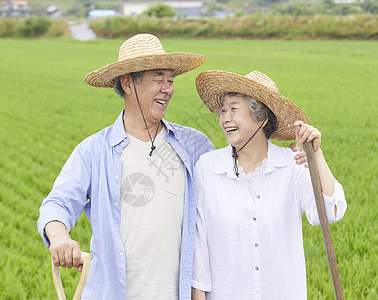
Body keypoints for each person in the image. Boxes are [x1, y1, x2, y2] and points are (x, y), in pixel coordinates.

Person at [37, 34, 306, 300]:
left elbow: (235, 184)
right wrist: (60, 237)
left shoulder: (194, 146)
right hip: (111, 293)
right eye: (158, 78)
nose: (168, 88)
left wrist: (286, 157)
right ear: (128, 83)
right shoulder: (94, 151)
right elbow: (57, 203)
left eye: (171, 79)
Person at [191, 70, 347, 300]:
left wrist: (316, 156)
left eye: (234, 109)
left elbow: (331, 211)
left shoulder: (292, 165)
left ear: (261, 116)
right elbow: (199, 248)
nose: (225, 118)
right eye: (223, 111)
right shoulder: (208, 168)